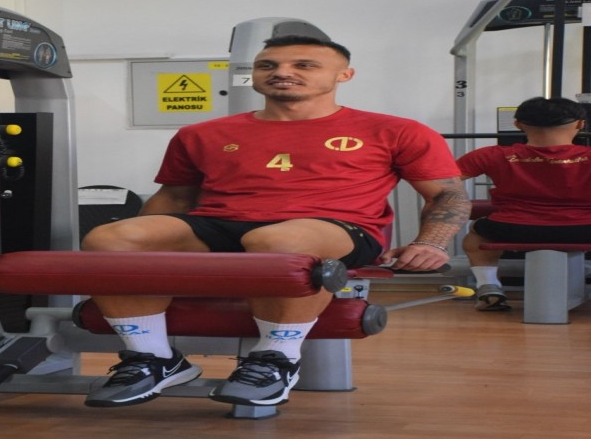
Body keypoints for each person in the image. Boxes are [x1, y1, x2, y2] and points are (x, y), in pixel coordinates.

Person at [81, 35, 471, 408]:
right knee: (111, 238)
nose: (282, 72)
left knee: (278, 240)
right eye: (268, 65)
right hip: (220, 224)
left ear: (344, 75)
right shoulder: (202, 133)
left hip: (335, 229)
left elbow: (447, 194)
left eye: (304, 65)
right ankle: (153, 358)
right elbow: (175, 198)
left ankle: (276, 358)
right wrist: (141, 267)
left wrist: (431, 243)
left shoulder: (395, 130)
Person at [458, 96, 591, 311]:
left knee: (477, 233)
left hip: (513, 228)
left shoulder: (492, 155)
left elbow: (440, 182)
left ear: (518, 124)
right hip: (584, 228)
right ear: (580, 124)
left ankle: (488, 286)